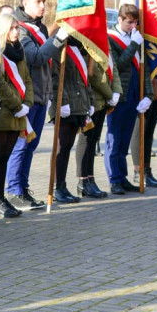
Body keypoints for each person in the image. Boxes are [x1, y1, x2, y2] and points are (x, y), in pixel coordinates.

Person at [5, 0, 65, 209]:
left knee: (31, 146)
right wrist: (58, 38)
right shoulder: (19, 28)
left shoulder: (38, 28)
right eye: (38, 2)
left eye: (44, 1)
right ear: (25, 3)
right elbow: (37, 57)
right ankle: (13, 190)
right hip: (25, 99)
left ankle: (23, 187)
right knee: (20, 146)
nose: (42, 6)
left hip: (41, 96)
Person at [105, 4, 153, 194]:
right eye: (129, 22)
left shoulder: (136, 39)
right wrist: (133, 44)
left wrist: (148, 95)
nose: (133, 26)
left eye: (135, 22)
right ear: (120, 19)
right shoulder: (111, 38)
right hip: (119, 94)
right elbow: (118, 65)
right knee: (114, 140)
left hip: (134, 93)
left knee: (125, 140)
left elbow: (145, 68)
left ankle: (122, 177)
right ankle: (114, 179)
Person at [0, 13, 32, 217]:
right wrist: (17, 105)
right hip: (4, 112)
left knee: (5, 158)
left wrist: (28, 103)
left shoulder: (19, 51)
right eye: (12, 28)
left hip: (18, 113)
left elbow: (27, 80)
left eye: (17, 28)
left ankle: (1, 198)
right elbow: (1, 83)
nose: (16, 32)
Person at [49, 37, 92, 204]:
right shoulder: (60, 47)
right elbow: (55, 78)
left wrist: (90, 100)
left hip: (79, 103)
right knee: (61, 146)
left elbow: (83, 79)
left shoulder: (78, 48)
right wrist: (62, 101)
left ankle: (62, 185)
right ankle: (56, 187)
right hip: (66, 104)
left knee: (67, 146)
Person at [75, 48, 120, 198]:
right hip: (92, 98)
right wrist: (109, 93)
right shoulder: (89, 38)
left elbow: (113, 68)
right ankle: (83, 181)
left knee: (94, 140)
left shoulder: (104, 37)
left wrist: (116, 91)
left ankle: (90, 178)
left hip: (103, 100)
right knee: (86, 139)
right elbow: (92, 73)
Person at [131, 59, 157, 188]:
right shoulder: (142, 38)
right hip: (143, 87)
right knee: (140, 131)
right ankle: (139, 170)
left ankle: (147, 169)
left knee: (149, 133)